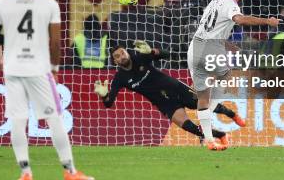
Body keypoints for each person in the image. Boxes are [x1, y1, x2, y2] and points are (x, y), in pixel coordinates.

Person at [0, 0, 94, 180]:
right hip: (38, 68)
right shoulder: (49, 3)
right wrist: (54, 68)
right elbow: (55, 41)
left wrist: (13, 40)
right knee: (54, 118)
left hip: (13, 68)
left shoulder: (2, 2)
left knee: (17, 120)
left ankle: (25, 173)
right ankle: (70, 171)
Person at [94, 41, 245, 146]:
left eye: (122, 53)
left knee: (204, 105)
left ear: (127, 51)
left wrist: (152, 51)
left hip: (175, 88)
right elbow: (109, 103)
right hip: (164, 102)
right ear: (115, 62)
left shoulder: (139, 57)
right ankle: (220, 136)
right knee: (187, 126)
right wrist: (104, 96)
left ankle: (231, 114)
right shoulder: (120, 78)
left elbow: (166, 55)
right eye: (118, 56)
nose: (122, 56)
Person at [189, 0, 279, 151]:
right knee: (225, 77)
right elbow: (240, 19)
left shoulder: (215, 0)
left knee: (203, 97)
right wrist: (268, 21)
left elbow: (209, 29)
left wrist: (229, 46)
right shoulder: (232, 5)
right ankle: (210, 108)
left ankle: (209, 139)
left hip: (195, 47)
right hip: (210, 50)